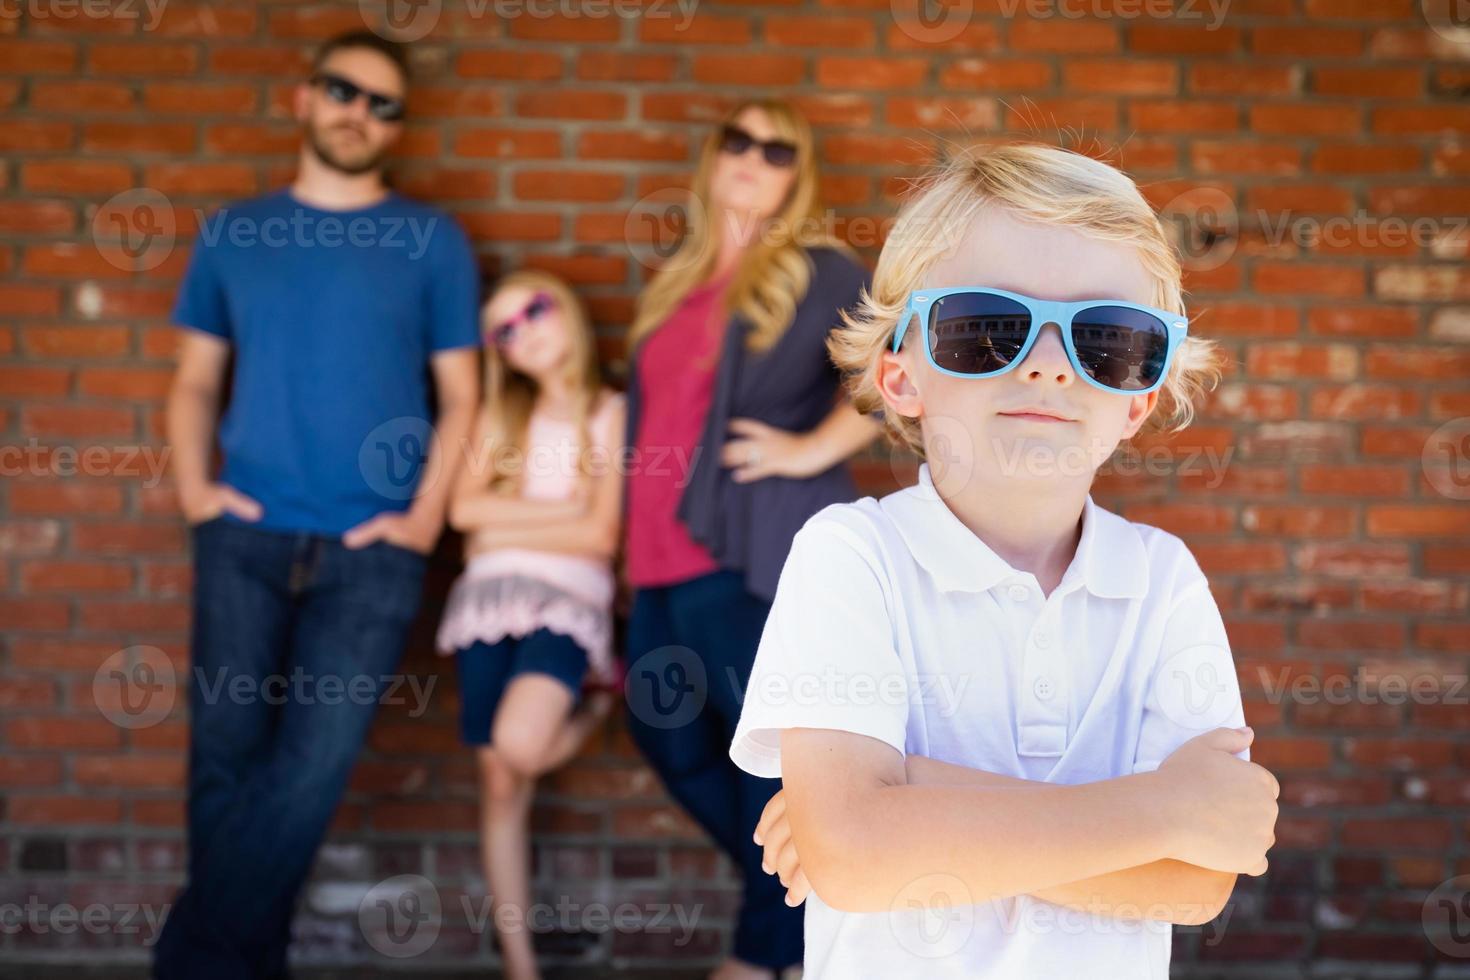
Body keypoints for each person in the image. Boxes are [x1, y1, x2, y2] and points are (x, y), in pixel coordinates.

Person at [728, 142, 1280, 978]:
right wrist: (1161, 811)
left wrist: (905, 793)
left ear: (1140, 401)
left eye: (1108, 340)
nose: (1051, 366)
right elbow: (854, 855)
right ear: (901, 377)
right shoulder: (852, 556)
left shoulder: (1164, 583)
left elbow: (1197, 878)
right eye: (987, 327)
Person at [155, 30, 480, 979]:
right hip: (244, 535)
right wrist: (197, 497)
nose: (361, 114)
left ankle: (190, 960)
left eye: (385, 104)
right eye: (345, 91)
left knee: (311, 769)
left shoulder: (432, 240)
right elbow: (193, 383)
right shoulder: (235, 233)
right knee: (224, 765)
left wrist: (423, 521)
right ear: (304, 99)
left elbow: (463, 396)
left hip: (372, 550)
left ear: (398, 128)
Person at [621, 99, 879, 979]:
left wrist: (809, 448)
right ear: (712, 155)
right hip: (655, 562)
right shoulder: (678, 280)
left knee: (769, 770)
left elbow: (894, 371)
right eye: (739, 140)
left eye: (778, 150)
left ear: (795, 175)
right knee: (669, 738)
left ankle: (757, 957)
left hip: (744, 557)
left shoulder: (819, 272)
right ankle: (814, 913)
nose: (754, 159)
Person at [437, 271, 625, 980]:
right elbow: (461, 516)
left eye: (534, 310)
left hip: (566, 603)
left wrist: (506, 520)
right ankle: (521, 966)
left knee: (519, 743)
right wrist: (565, 513)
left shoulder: (611, 414)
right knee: (500, 783)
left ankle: (602, 702)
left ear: (567, 308)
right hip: (485, 602)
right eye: (504, 331)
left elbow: (602, 535)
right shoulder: (502, 417)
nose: (523, 333)